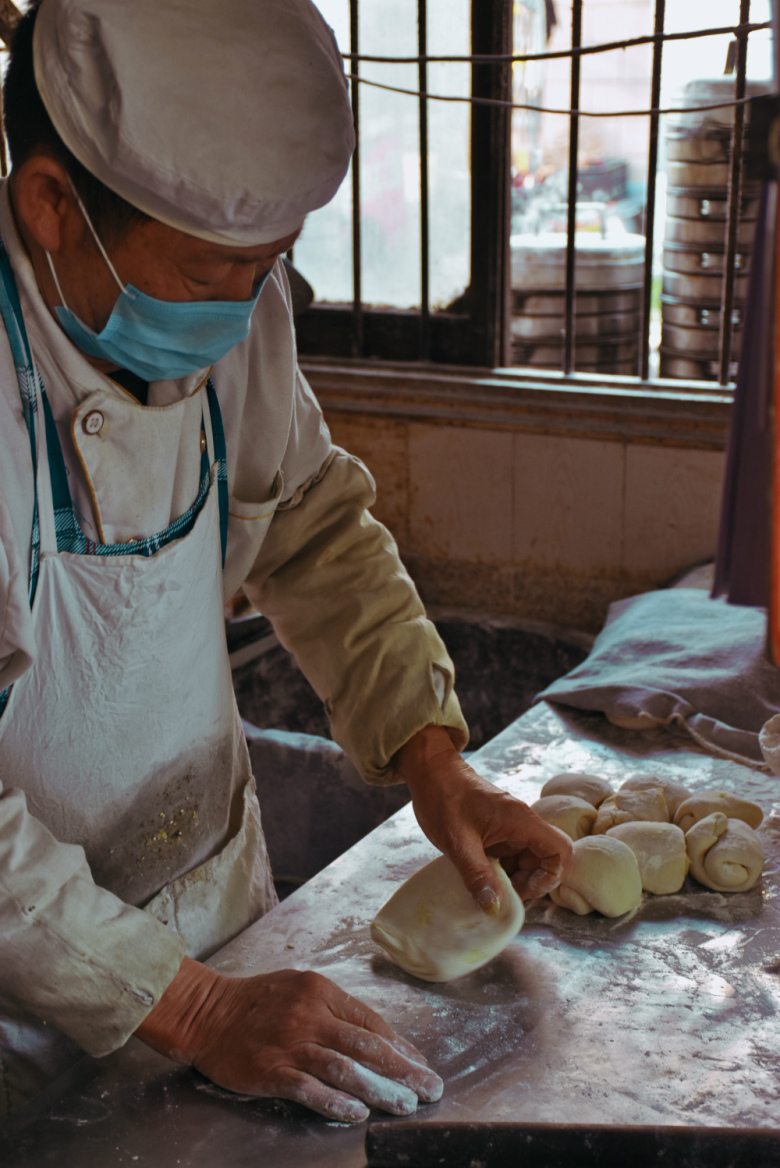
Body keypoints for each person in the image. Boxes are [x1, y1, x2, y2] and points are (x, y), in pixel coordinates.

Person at [0, 0, 572, 1125]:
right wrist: (194, 1008)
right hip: (28, 1011)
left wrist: (434, 760)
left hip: (220, 921)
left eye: (273, 263)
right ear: (52, 204)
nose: (249, 303)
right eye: (215, 269)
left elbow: (309, 522)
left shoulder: (233, 307)